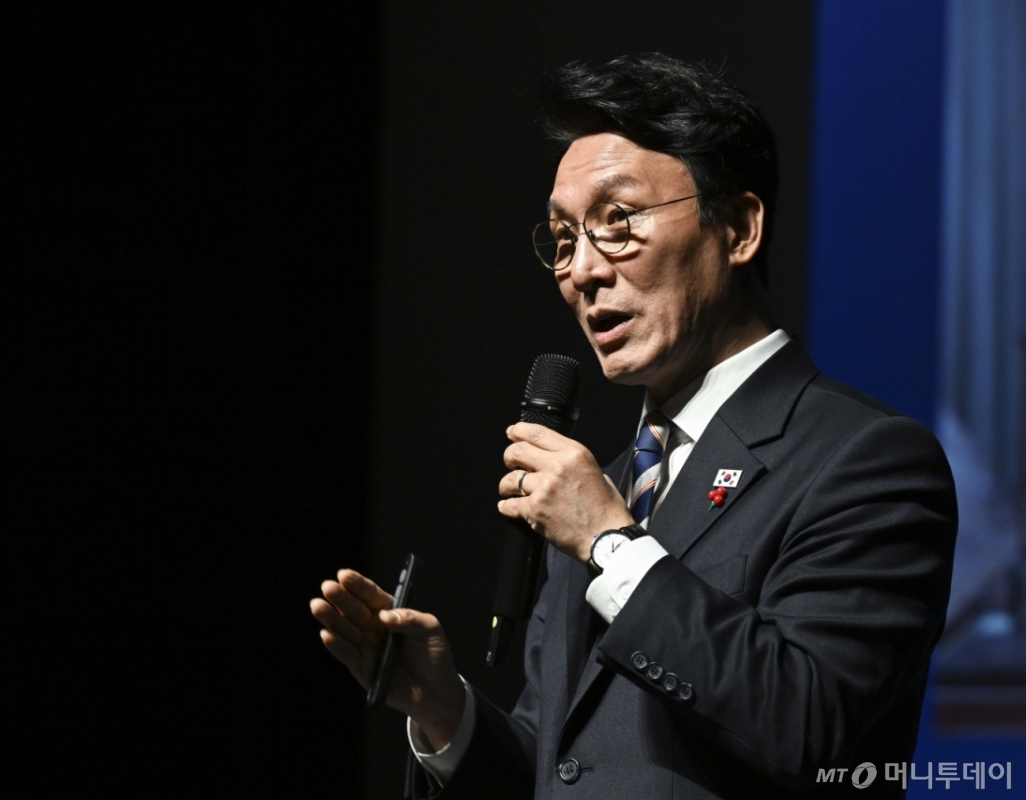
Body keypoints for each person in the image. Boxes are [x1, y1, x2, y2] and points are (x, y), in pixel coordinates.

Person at [310, 53, 957, 799]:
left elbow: (812, 727)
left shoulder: (868, 460)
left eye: (618, 221)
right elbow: (565, 772)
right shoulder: (608, 487)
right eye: (564, 238)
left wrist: (610, 543)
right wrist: (442, 711)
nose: (582, 271)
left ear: (739, 228)